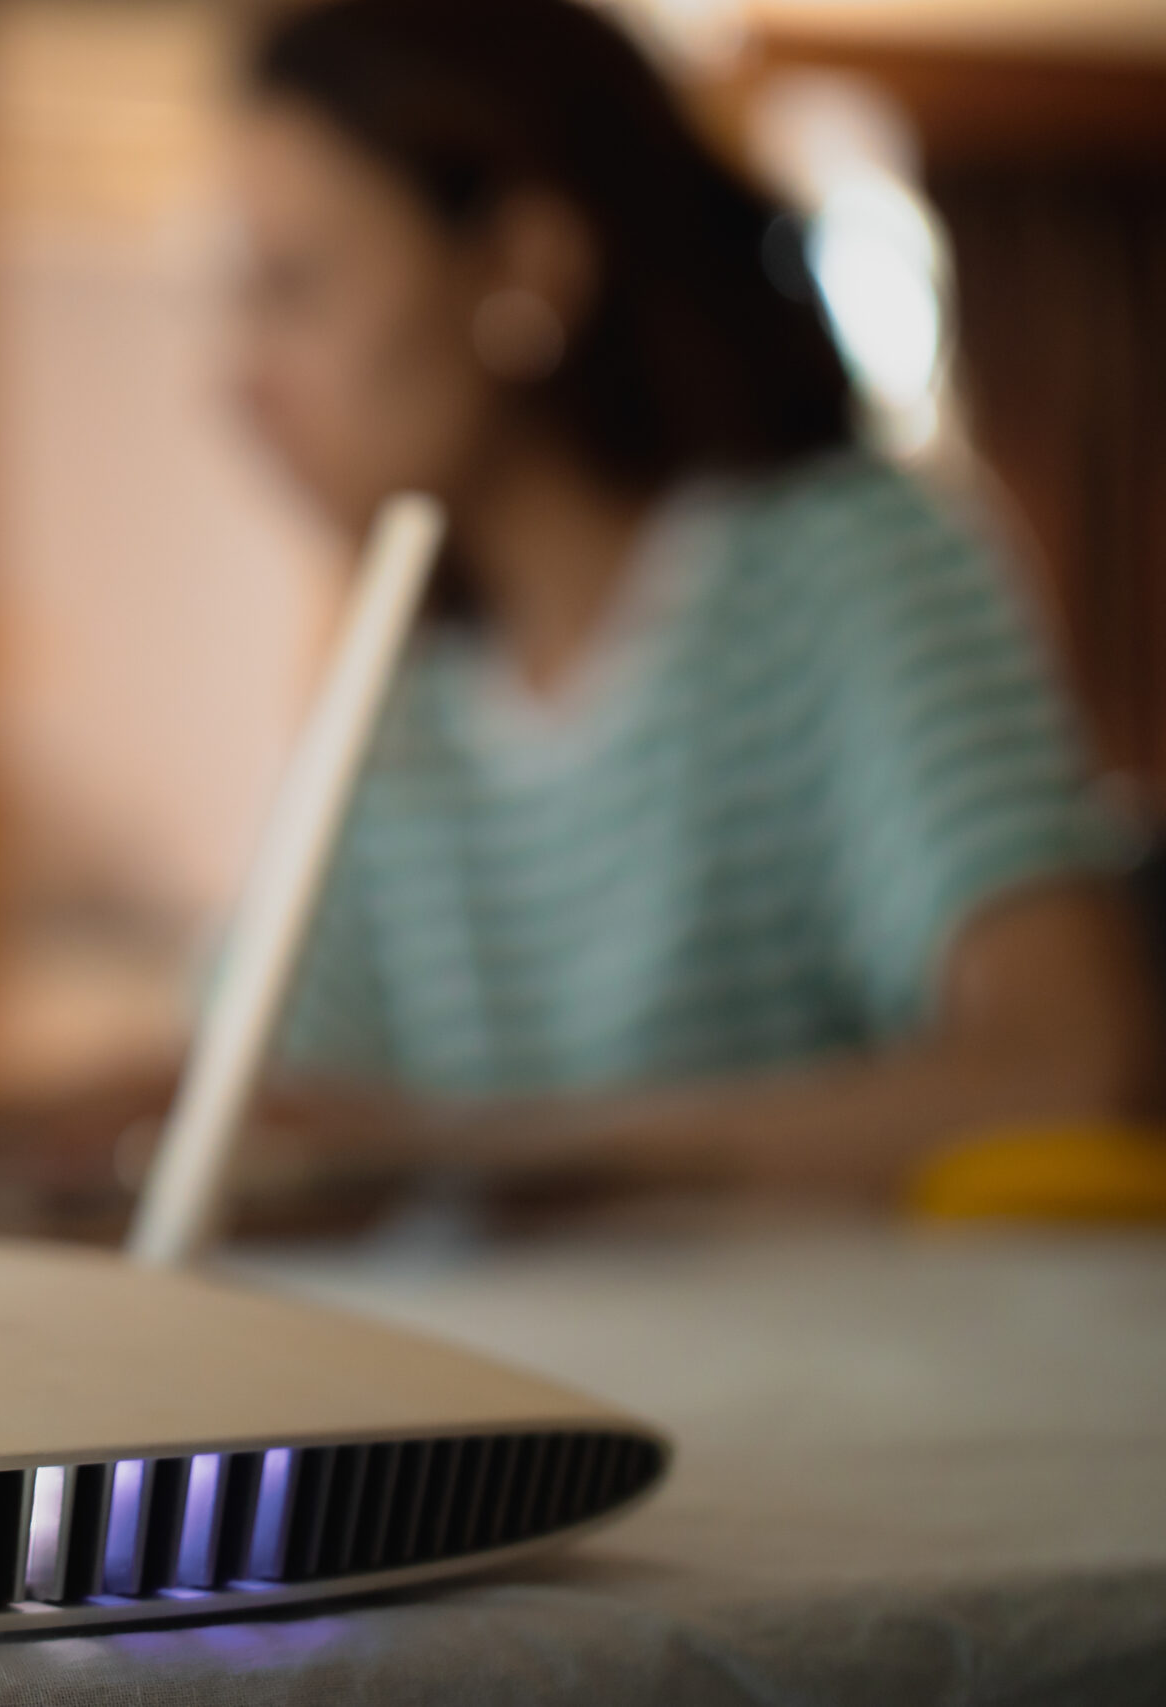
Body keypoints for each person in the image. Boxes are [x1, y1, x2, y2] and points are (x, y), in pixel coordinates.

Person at [199, 0, 1159, 1202]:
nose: (236, 379)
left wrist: (495, 1153)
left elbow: (1075, 1065)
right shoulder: (405, 691)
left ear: (521, 266)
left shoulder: (844, 573)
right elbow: (237, 1091)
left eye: (293, 287)